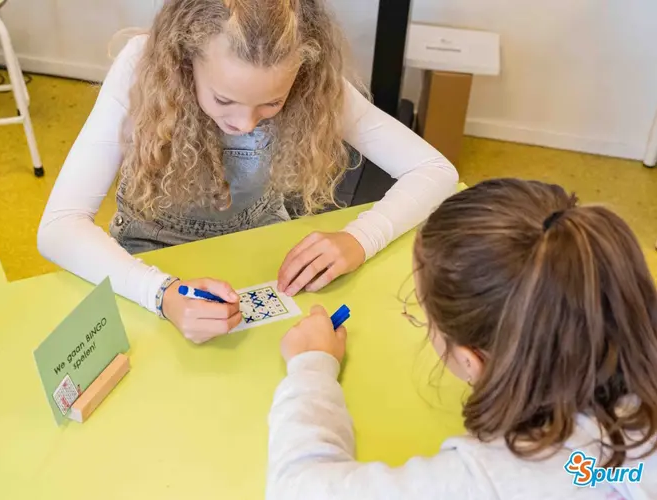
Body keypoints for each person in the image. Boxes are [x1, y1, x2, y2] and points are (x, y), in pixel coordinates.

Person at [37, 0, 458, 344]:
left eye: (272, 104)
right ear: (186, 59)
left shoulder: (313, 78)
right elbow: (59, 227)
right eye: (224, 100)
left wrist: (360, 238)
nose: (246, 123)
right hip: (146, 260)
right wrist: (160, 293)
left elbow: (435, 170)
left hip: (266, 256)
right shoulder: (140, 67)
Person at [267, 178, 657, 499]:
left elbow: (298, 488)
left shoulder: (498, 480)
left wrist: (310, 369)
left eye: (421, 311)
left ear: (473, 360)